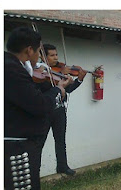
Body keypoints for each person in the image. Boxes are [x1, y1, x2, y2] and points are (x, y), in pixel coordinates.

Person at [4, 27, 72, 190]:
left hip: (21, 145)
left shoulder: (14, 67)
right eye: (39, 52)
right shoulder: (10, 69)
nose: (39, 58)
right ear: (29, 51)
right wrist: (58, 90)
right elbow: (39, 104)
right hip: (17, 147)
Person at [35, 44, 87, 176]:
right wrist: (59, 76)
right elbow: (44, 87)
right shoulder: (39, 70)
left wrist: (79, 79)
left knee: (60, 139)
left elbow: (67, 89)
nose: (56, 58)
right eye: (52, 55)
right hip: (45, 112)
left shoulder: (59, 70)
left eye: (56, 55)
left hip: (59, 110)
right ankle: (35, 170)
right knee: (39, 142)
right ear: (43, 56)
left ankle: (62, 166)